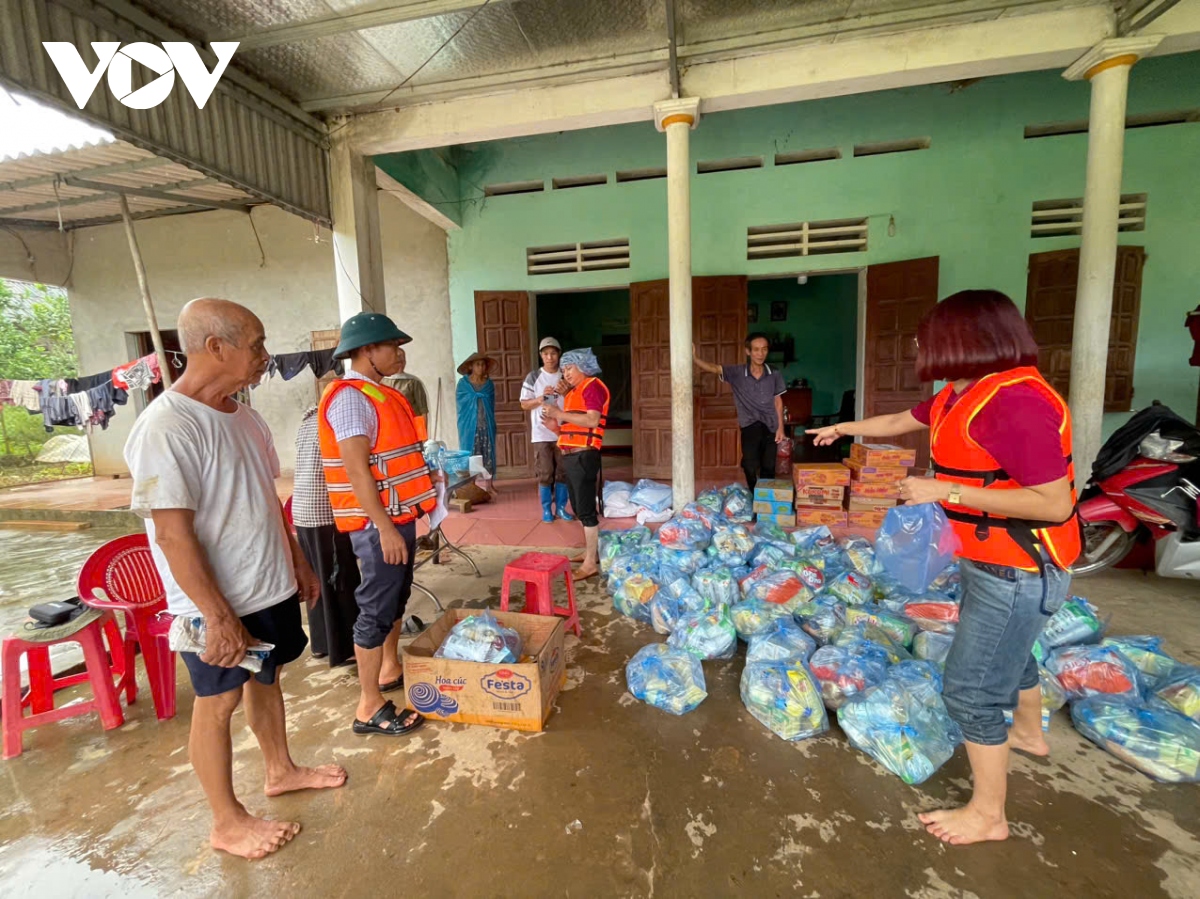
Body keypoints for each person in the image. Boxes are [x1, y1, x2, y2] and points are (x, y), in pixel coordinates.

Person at [808, 289, 1080, 846]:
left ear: (963, 340)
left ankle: (989, 816)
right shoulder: (963, 393)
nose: (917, 345)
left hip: (1021, 567)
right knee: (1013, 652)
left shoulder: (1014, 401)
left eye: (926, 336)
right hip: (992, 563)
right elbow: (897, 420)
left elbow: (1054, 503)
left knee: (969, 691)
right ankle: (1029, 733)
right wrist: (844, 430)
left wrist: (943, 487)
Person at [124, 298, 345, 860]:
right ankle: (226, 821)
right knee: (216, 702)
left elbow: (266, 497)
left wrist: (295, 558)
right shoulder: (166, 426)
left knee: (266, 681)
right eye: (257, 343)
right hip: (213, 601)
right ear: (215, 347)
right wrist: (216, 615)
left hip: (264, 584)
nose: (266, 357)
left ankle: (280, 770)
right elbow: (173, 534)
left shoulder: (243, 416)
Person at [318, 311, 435, 738]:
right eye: (391, 346)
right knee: (375, 607)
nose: (399, 353)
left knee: (395, 598)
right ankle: (368, 705)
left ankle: (389, 669)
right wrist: (384, 528)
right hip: (375, 526)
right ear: (368, 351)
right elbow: (357, 471)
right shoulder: (351, 398)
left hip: (397, 517)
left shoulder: (382, 394)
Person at [292, 405, 360, 668]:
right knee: (339, 579)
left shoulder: (308, 420)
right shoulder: (336, 422)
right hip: (326, 512)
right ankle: (342, 648)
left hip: (303, 511)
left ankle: (320, 643)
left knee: (316, 579)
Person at [543, 348, 609, 579]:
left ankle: (591, 562)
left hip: (584, 455)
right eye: (563, 370)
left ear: (583, 366)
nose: (565, 374)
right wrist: (555, 426)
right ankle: (591, 551)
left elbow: (592, 419)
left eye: (569, 368)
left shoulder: (592, 386)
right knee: (580, 508)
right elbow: (572, 425)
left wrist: (559, 413)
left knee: (586, 511)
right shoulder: (574, 392)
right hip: (571, 454)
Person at [692, 333, 786, 491]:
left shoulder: (774, 373)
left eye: (764, 349)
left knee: (768, 466)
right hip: (749, 425)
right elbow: (715, 368)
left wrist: (781, 428)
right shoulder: (737, 372)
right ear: (748, 352)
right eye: (756, 350)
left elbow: (778, 401)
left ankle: (765, 501)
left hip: (771, 424)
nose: (760, 354)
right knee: (749, 464)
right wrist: (695, 358)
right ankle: (755, 492)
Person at [519, 336, 573, 523]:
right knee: (545, 472)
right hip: (541, 433)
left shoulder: (566, 375)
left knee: (563, 472)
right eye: (546, 354)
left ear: (559, 355)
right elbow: (524, 404)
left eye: (553, 353)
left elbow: (575, 401)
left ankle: (561, 507)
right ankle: (546, 510)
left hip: (563, 432)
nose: (550, 357)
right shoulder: (533, 377)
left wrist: (566, 392)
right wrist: (541, 398)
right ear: (541, 356)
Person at [456, 351, 498, 495]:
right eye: (477, 364)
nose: (480, 367)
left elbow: (491, 404)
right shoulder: (463, 384)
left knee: (488, 454)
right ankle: (472, 485)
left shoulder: (489, 385)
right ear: (471, 367)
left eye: (482, 365)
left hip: (486, 425)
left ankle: (489, 485)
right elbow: (461, 405)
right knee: (472, 454)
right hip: (469, 427)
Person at [383, 346, 430, 429]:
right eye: (397, 360)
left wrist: (422, 436)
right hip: (389, 429)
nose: (401, 362)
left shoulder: (413, 382)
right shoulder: (382, 381)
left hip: (410, 429)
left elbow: (422, 412)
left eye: (402, 359)